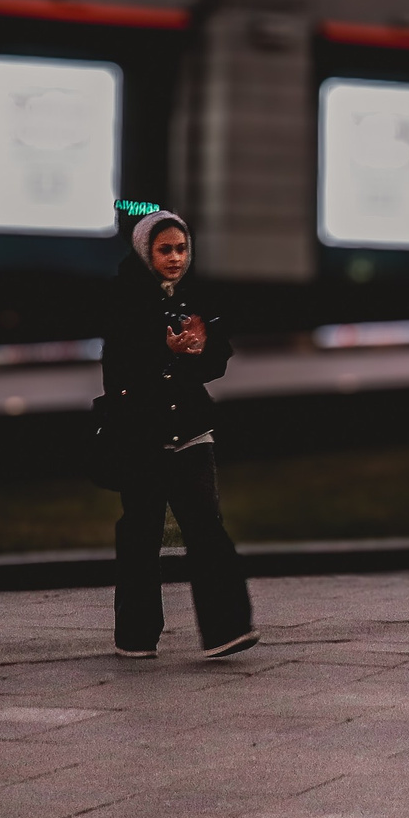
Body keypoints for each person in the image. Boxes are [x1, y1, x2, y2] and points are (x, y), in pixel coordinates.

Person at [103, 210, 257, 661]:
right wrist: (161, 350)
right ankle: (135, 635)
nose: (175, 258)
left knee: (207, 529)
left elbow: (216, 362)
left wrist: (203, 346)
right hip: (141, 435)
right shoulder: (123, 297)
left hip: (190, 429)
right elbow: (118, 366)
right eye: (165, 249)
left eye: (182, 248)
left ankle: (227, 629)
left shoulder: (196, 295)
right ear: (145, 251)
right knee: (141, 533)